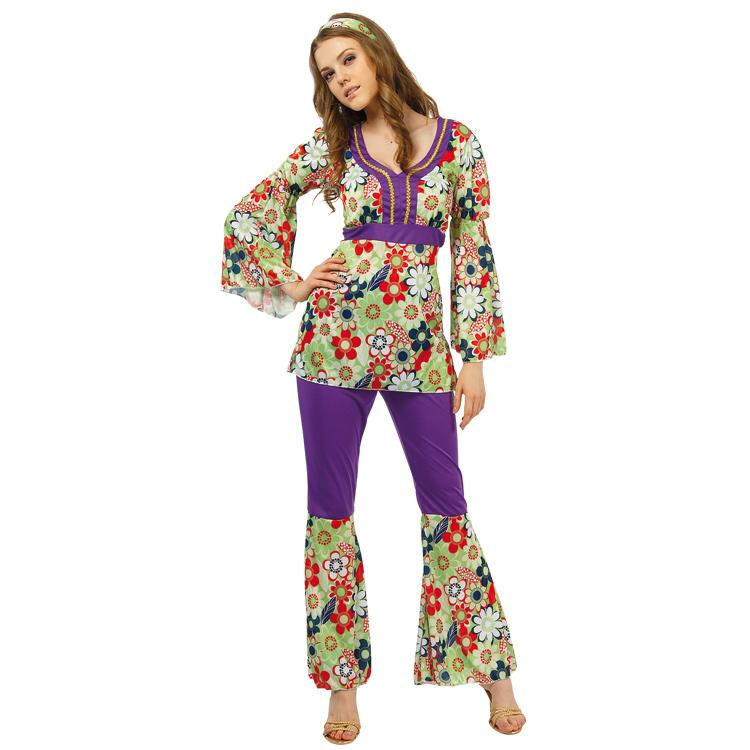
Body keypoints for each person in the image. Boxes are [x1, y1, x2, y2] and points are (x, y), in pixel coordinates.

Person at [220, 13, 526, 744]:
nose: (340, 79)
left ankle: (493, 672)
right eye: (327, 73)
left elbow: (472, 249)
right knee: (331, 510)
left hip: (420, 352)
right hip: (333, 347)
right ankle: (342, 688)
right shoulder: (335, 146)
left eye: (348, 60)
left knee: (446, 504)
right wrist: (294, 283)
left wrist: (473, 356)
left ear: (379, 55)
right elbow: (253, 208)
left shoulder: (458, 143)